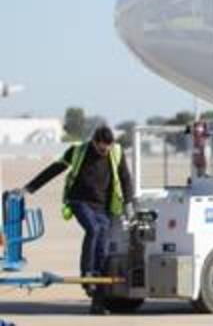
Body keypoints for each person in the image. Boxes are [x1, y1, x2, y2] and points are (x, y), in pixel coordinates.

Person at [12, 125, 134, 311]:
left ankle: (97, 301)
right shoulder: (78, 151)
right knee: (93, 229)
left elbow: (125, 178)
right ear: (94, 142)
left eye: (107, 148)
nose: (104, 151)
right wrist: (29, 189)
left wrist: (128, 204)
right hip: (80, 201)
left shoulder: (116, 152)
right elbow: (54, 169)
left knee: (103, 244)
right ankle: (86, 275)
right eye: (101, 148)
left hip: (103, 206)